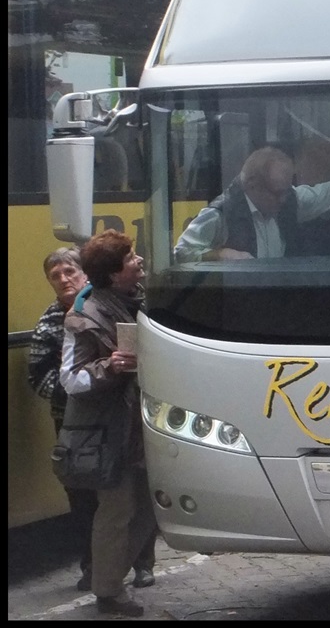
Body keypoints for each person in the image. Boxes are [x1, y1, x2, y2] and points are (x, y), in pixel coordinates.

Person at [28, 247, 158, 594]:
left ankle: (137, 566)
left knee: (143, 500)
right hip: (85, 427)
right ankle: (102, 579)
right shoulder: (63, 320)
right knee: (102, 504)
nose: (64, 280)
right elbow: (48, 377)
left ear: (85, 274)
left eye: (69, 271)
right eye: (56, 276)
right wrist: (88, 393)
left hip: (135, 419)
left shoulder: (138, 304)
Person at [61, 231, 156, 617]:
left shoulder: (142, 302)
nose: (140, 262)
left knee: (151, 508)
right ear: (115, 274)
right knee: (115, 511)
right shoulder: (82, 317)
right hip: (109, 432)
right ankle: (109, 590)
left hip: (144, 427)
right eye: (132, 257)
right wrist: (108, 366)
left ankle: (110, 579)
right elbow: (70, 379)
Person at [173, 145, 330, 262]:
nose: (285, 199)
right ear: (252, 186)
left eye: (287, 191)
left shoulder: (288, 201)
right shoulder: (220, 214)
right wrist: (219, 254)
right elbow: (181, 252)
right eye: (278, 193)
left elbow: (326, 195)